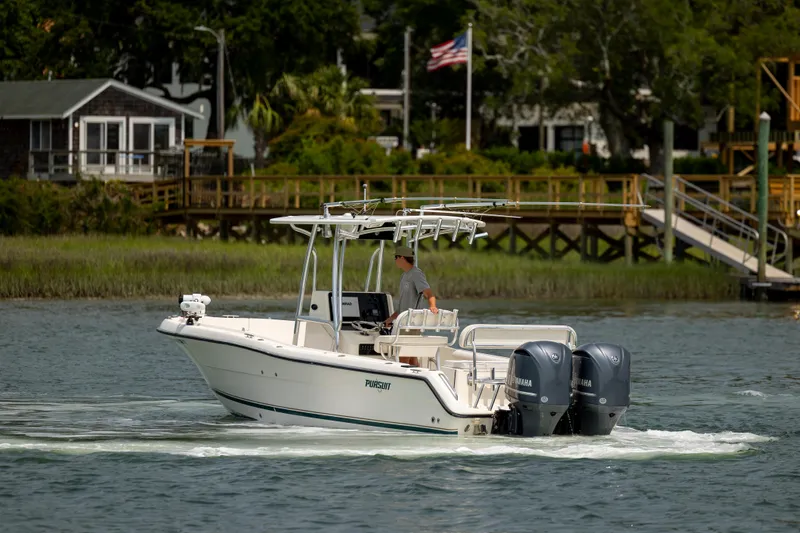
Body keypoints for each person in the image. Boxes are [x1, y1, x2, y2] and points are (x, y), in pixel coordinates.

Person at [383, 245, 438, 366]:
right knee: (412, 358)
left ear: (402, 258)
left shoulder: (416, 274)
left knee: (404, 357)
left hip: (411, 322)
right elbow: (402, 306)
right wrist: (391, 319)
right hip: (403, 321)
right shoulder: (403, 276)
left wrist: (432, 306)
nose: (395, 261)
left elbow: (429, 293)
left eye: (395, 258)